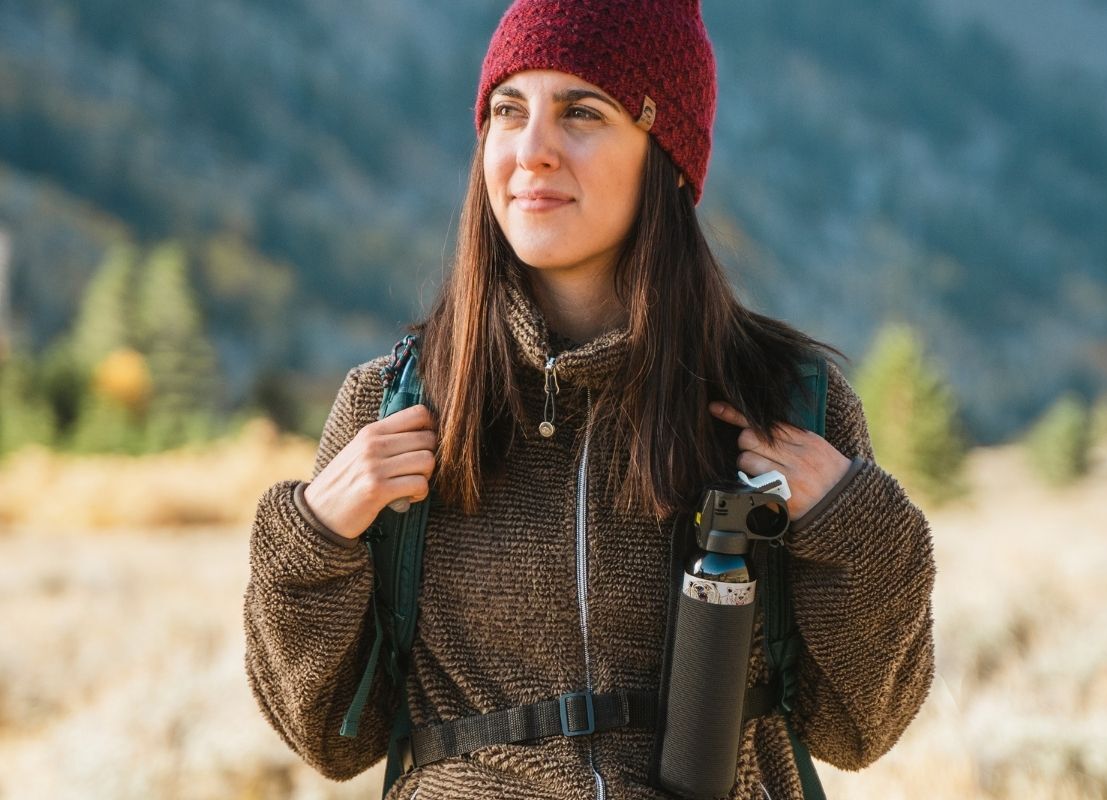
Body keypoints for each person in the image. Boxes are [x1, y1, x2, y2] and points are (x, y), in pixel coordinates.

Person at [243, 1, 936, 798]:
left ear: (666, 152)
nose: (531, 151)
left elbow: (858, 729)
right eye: (509, 111)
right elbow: (331, 740)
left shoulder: (787, 404)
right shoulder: (390, 406)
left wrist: (858, 528)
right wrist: (310, 544)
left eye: (582, 112)